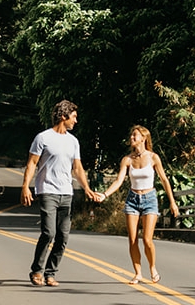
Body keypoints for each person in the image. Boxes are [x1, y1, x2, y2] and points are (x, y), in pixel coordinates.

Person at [20, 100, 102, 286]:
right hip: (47, 190)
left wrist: (87, 189)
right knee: (49, 232)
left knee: (63, 236)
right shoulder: (43, 138)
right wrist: (25, 186)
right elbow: (32, 163)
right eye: (73, 117)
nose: (76, 121)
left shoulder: (73, 141)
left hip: (67, 192)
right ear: (64, 116)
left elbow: (78, 168)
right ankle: (37, 271)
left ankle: (50, 273)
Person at [99, 124, 179, 284]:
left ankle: (152, 267)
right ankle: (137, 273)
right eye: (131, 135)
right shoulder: (127, 160)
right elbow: (119, 180)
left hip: (150, 199)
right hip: (132, 200)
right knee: (133, 239)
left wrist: (172, 202)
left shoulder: (153, 157)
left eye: (134, 135)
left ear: (143, 138)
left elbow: (164, 180)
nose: (131, 138)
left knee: (147, 239)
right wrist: (104, 194)